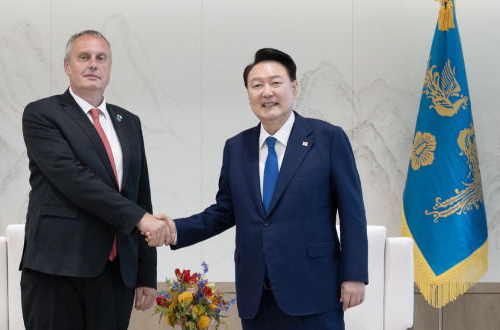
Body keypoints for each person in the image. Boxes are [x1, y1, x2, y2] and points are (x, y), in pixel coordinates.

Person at [155, 48, 368, 329]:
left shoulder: (327, 139)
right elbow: (224, 211)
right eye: (257, 85)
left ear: (294, 87)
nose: (266, 92)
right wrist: (176, 230)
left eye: (275, 83)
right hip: (256, 297)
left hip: (314, 292)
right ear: (248, 94)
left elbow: (353, 213)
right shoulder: (236, 147)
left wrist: (353, 275)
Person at [19, 30, 171, 330]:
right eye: (83, 57)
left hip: (115, 272)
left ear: (109, 67)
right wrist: (141, 219)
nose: (93, 64)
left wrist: (145, 274)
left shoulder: (128, 122)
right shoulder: (42, 114)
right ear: (67, 66)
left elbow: (141, 195)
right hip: (57, 268)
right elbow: (75, 179)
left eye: (101, 58)